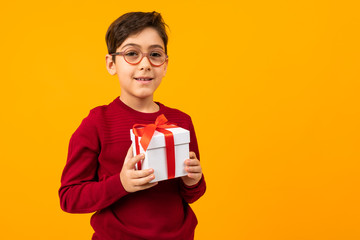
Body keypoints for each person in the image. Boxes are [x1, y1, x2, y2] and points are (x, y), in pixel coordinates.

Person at [59, 11, 206, 240]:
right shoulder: (97, 123)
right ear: (111, 64)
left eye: (155, 55)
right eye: (132, 54)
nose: (145, 64)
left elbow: (190, 194)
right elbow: (69, 197)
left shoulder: (182, 121)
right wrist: (121, 183)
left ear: (165, 65)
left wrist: (193, 181)